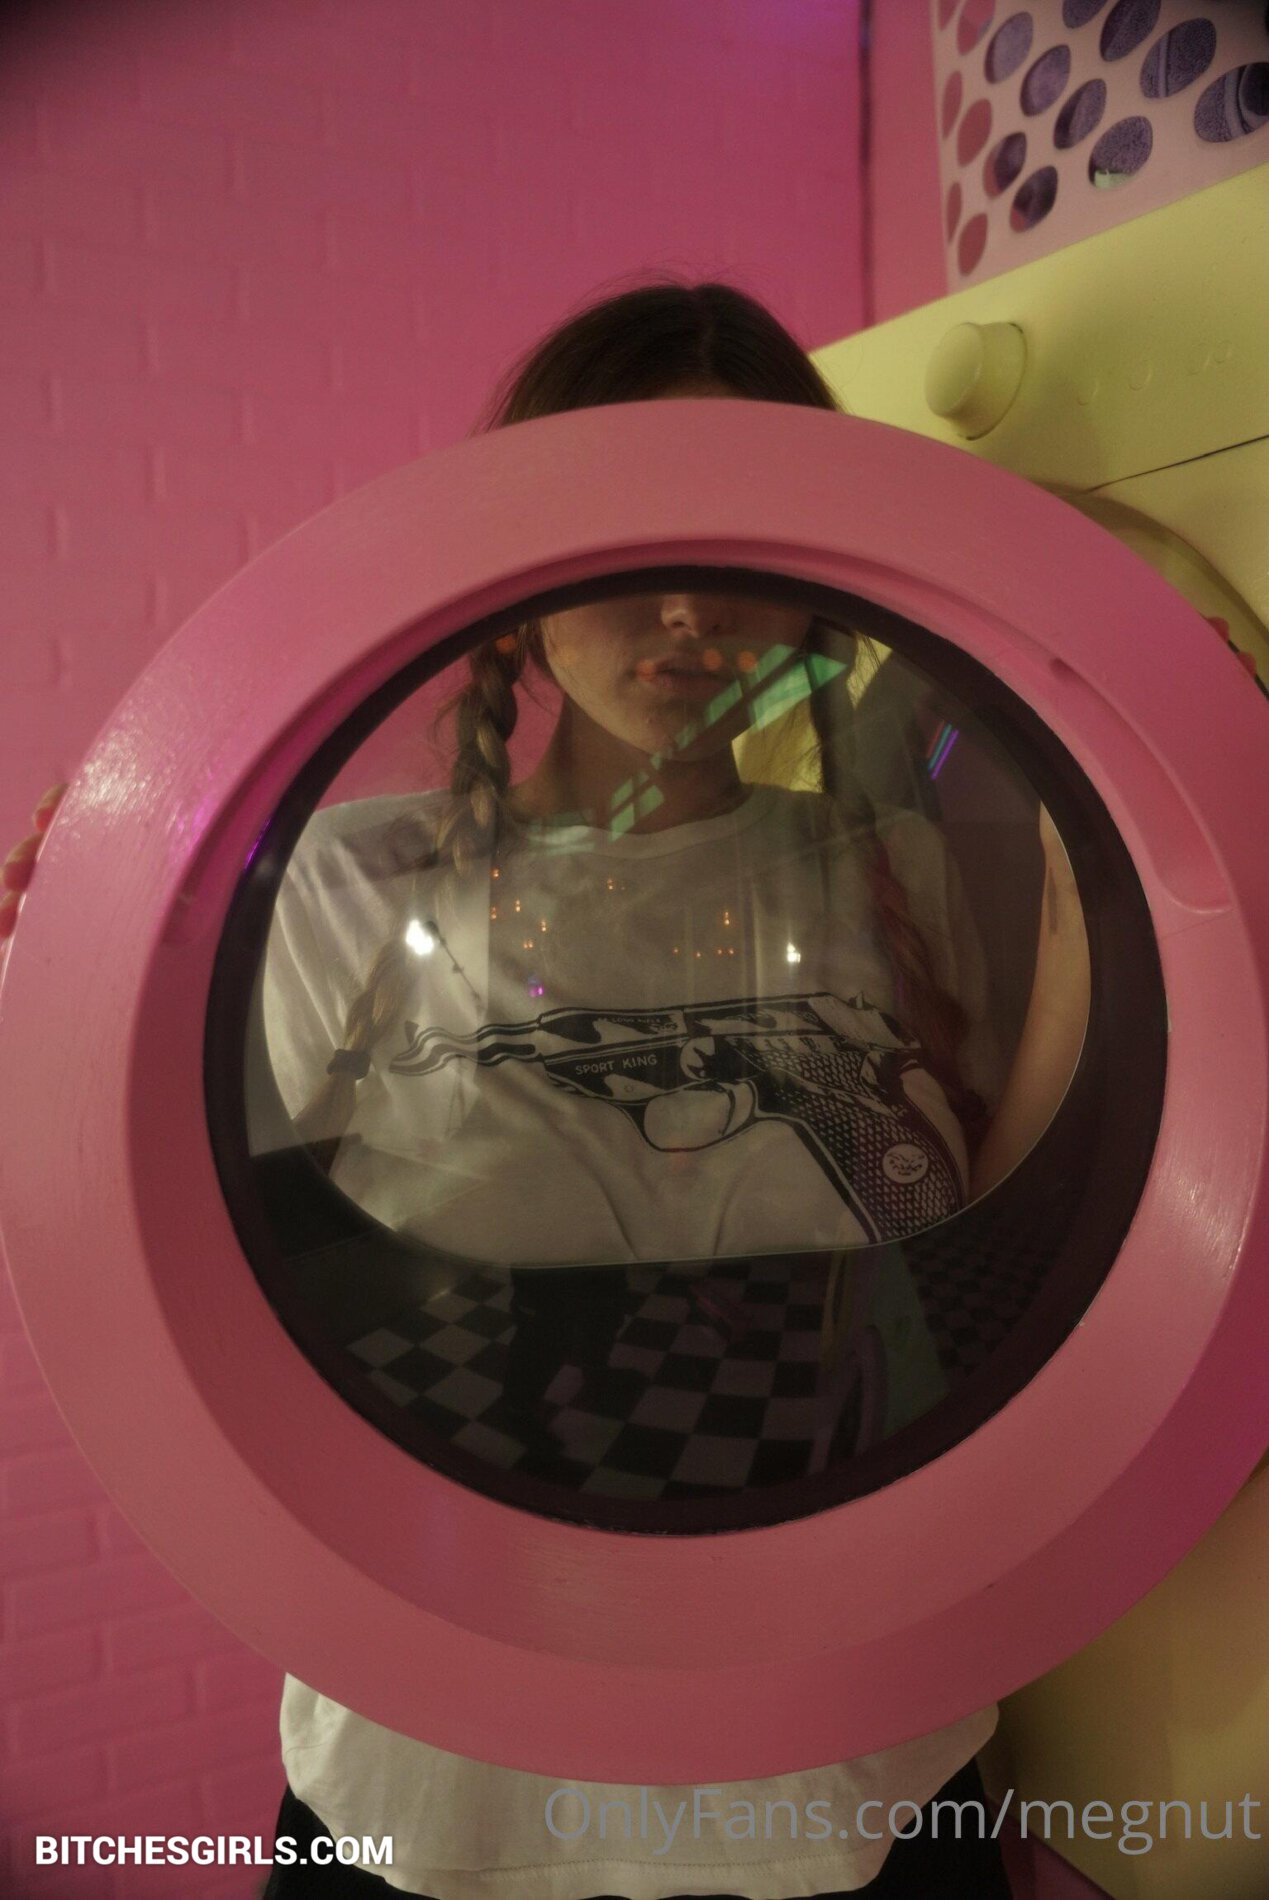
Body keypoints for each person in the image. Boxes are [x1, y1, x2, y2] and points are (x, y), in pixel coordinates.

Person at [3, 281, 1090, 1899]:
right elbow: (158, 1275)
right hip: (443, 1797)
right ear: (511, 585)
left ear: (810, 591)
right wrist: (75, 965)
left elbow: (1022, 1250)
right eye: (630, 534)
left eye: (737, 542)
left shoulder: (895, 876)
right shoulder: (336, 886)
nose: (687, 610)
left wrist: (1129, 818)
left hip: (851, 1774)